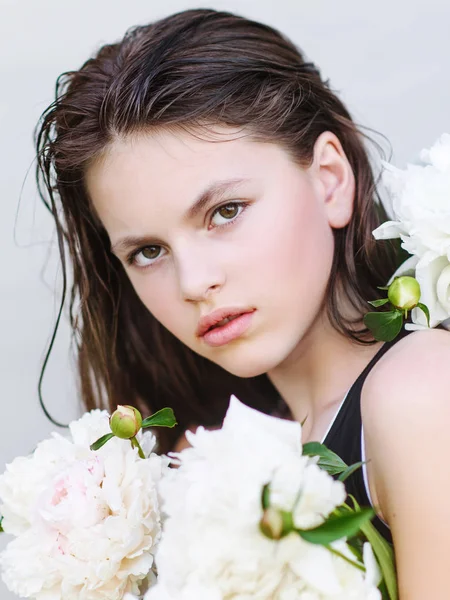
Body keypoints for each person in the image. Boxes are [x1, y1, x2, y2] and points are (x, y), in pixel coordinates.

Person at [35, 8, 450, 597]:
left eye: (224, 212)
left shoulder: (422, 390)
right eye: (148, 251)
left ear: (329, 179)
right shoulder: (211, 463)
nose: (193, 282)